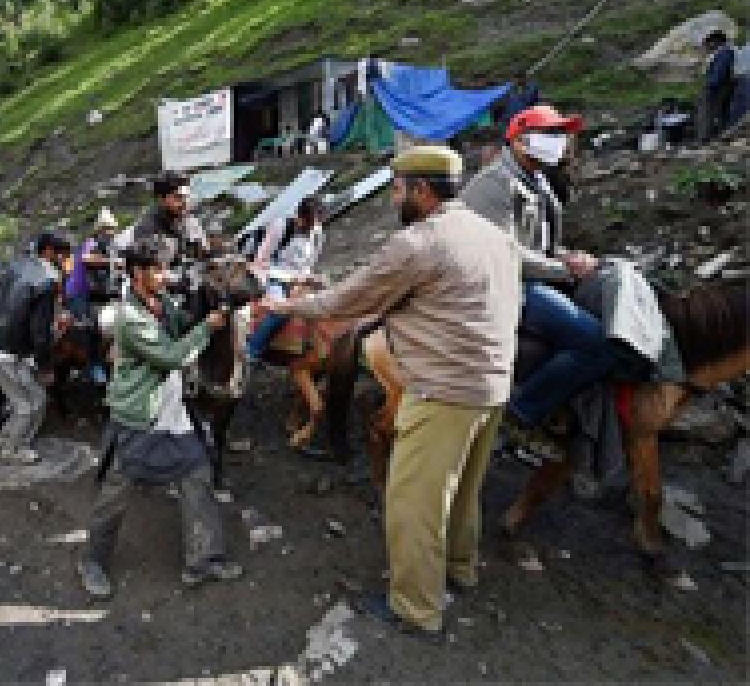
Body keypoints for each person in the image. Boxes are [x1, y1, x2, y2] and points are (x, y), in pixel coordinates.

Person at [264, 145, 520, 638]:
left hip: (442, 388)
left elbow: (351, 297)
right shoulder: (493, 234)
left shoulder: (418, 243)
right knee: (465, 488)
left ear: (422, 191)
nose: (393, 199)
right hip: (491, 384)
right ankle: (459, 570)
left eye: (397, 190)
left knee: (413, 501)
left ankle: (417, 608)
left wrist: (285, 307)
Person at [78, 239, 242, 600]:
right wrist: (207, 329)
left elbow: (182, 324)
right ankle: (92, 561)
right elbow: (172, 356)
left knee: (196, 474)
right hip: (138, 415)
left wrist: (206, 305)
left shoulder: (160, 301)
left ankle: (202, 561)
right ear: (138, 273)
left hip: (170, 409)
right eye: (158, 270)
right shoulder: (131, 317)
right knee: (116, 492)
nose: (165, 276)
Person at [458, 105, 612, 435]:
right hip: (501, 284)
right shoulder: (494, 184)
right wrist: (563, 270)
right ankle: (521, 413)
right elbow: (503, 253)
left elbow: (540, 245)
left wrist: (571, 257)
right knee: (594, 342)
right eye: (549, 134)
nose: (558, 142)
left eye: (559, 135)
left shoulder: (537, 180)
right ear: (518, 141)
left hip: (529, 274)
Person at [0, 232, 70, 464]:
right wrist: (46, 366)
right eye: (65, 255)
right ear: (49, 251)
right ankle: (12, 450)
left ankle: (7, 438)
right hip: (7, 352)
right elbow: (39, 333)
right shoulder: (46, 282)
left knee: (33, 398)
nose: (68, 261)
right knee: (27, 404)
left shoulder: (18, 265)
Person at [244, 196, 325, 363]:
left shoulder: (317, 233)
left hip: (299, 279)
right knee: (281, 311)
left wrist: (302, 281)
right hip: (272, 276)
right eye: (308, 224)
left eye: (315, 225)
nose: (311, 230)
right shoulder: (281, 226)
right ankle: (252, 350)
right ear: (300, 217)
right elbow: (261, 261)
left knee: (324, 302)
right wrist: (275, 286)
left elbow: (310, 263)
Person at [64, 208, 120, 384]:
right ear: (100, 230)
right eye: (107, 229)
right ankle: (93, 365)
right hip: (79, 293)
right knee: (89, 326)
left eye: (112, 229)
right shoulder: (91, 243)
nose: (111, 233)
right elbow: (87, 259)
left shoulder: (108, 248)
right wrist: (112, 262)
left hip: (98, 295)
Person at [114, 173, 208, 267]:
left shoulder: (189, 220)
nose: (184, 202)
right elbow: (149, 268)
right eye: (178, 197)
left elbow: (204, 252)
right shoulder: (147, 227)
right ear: (161, 200)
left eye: (186, 197)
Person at [698, 30, 737, 141]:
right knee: (721, 113)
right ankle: (721, 136)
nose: (709, 45)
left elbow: (719, 73)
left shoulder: (724, 53)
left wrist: (709, 84)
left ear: (716, 41)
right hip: (724, 86)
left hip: (717, 88)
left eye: (710, 42)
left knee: (706, 112)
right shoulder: (725, 52)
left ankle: (704, 138)